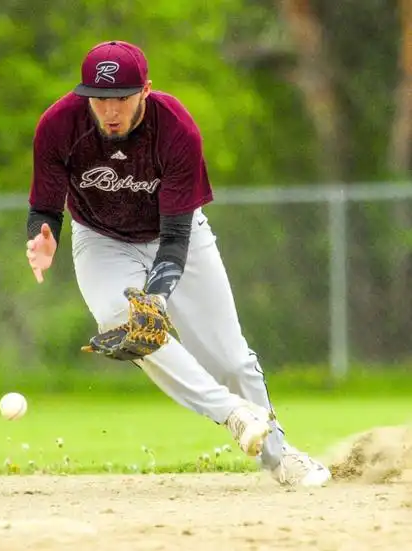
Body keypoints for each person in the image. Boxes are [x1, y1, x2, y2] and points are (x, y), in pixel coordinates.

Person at [25, 39, 331, 487]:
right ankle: (232, 414)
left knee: (231, 361)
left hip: (174, 236)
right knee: (123, 321)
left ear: (146, 91)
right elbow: (44, 208)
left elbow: (174, 240)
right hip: (102, 240)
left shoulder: (175, 130)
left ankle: (278, 457)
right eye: (99, 98)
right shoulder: (58, 125)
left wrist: (157, 298)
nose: (110, 110)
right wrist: (41, 236)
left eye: (122, 98)